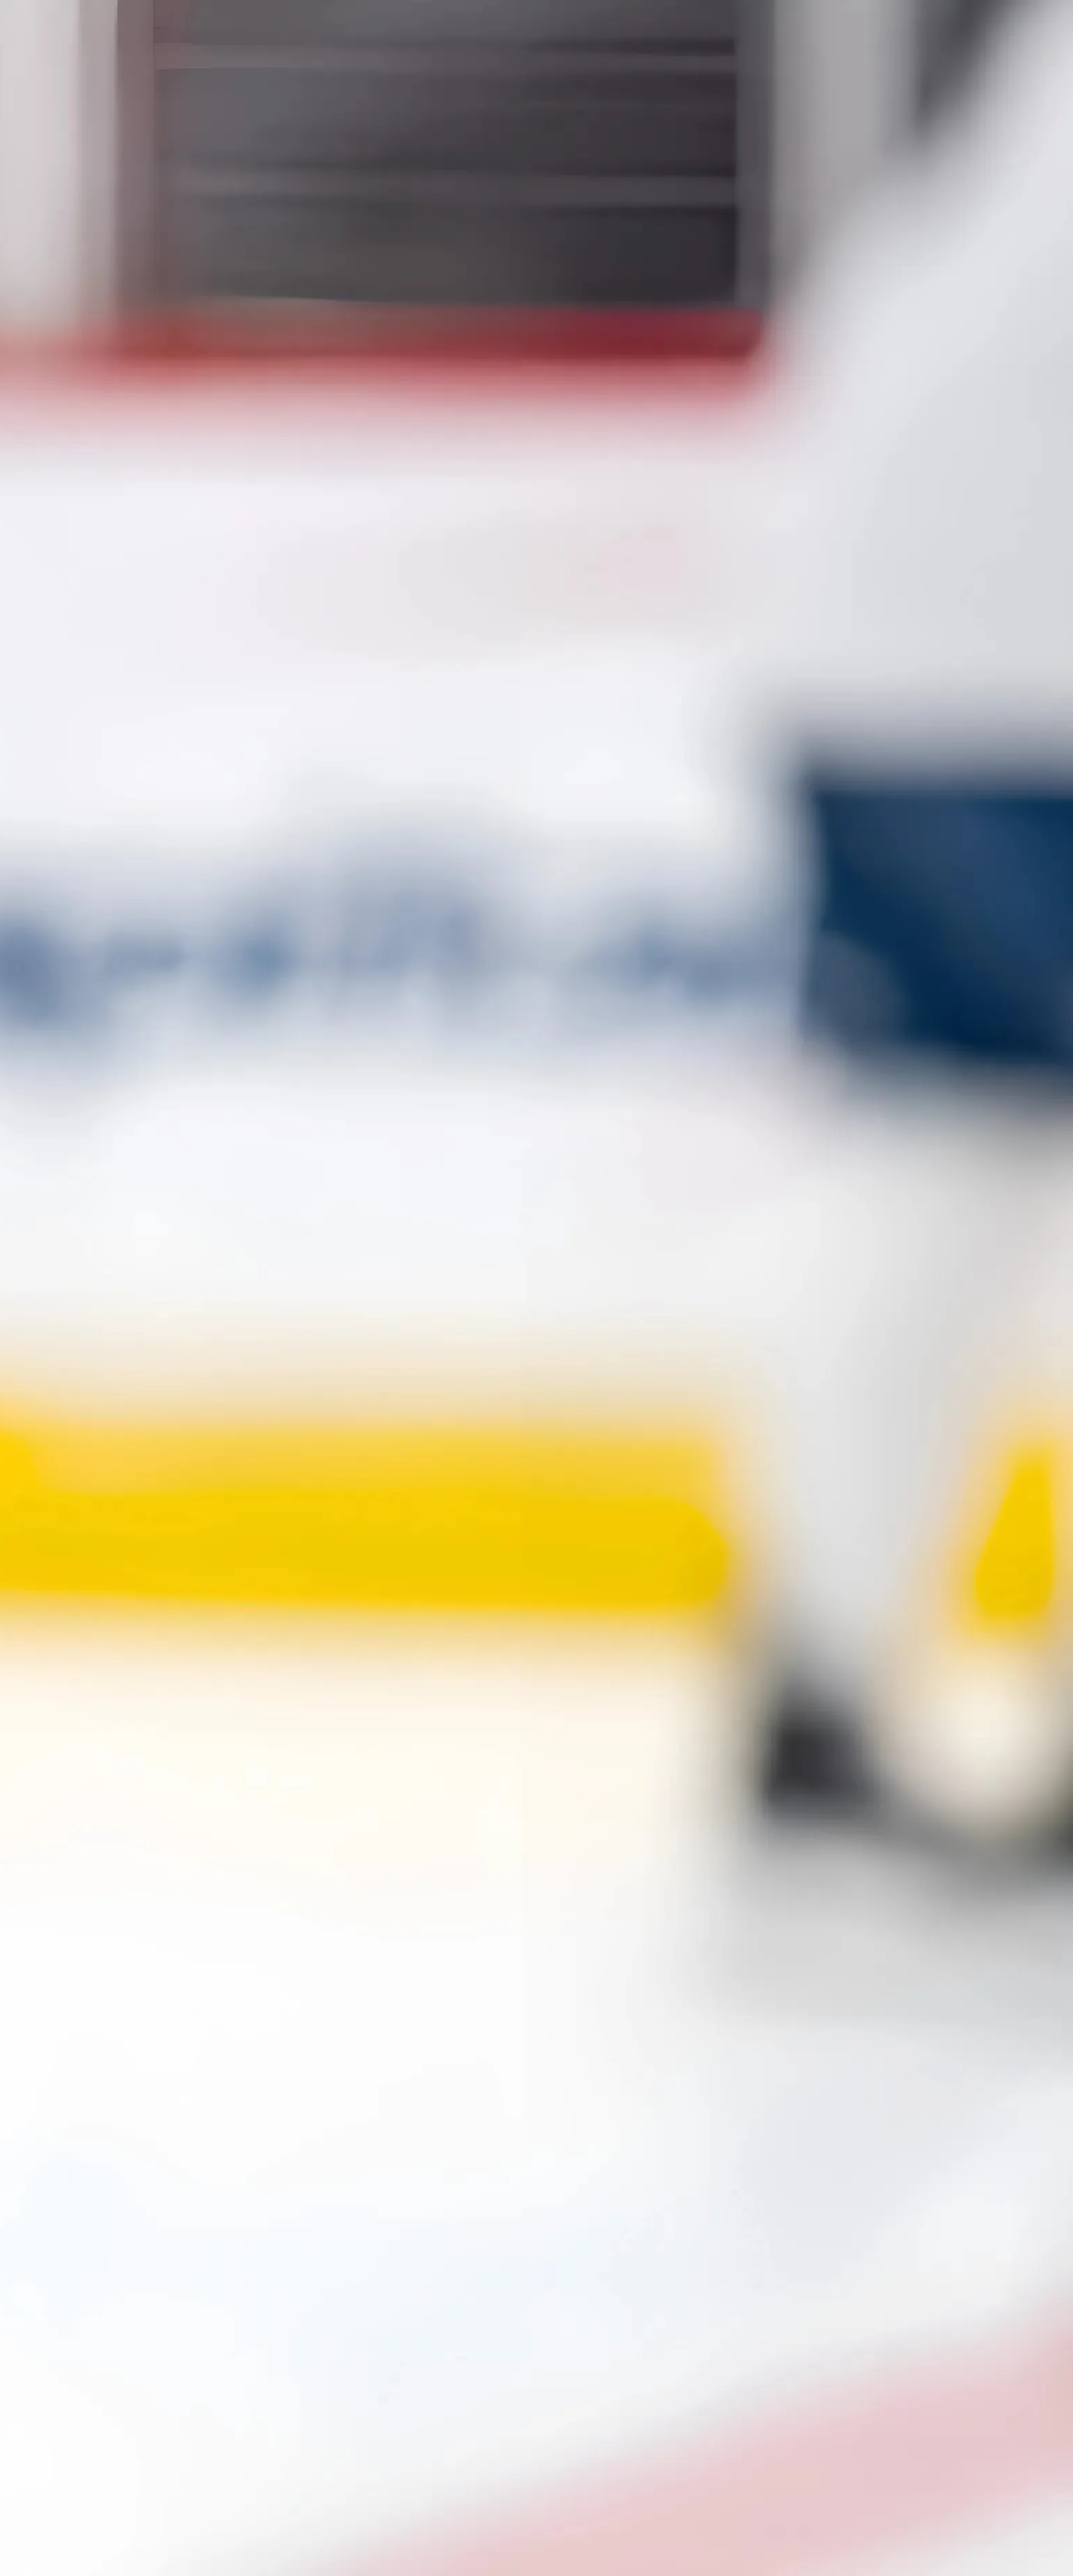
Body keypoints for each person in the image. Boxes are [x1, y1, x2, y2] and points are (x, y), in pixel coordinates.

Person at [752, 0, 1073, 1838]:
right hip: (1008, 688)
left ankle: (817, 1679)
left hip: (896, 667)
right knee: (942, 1172)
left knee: (937, 1163)